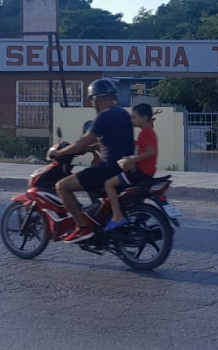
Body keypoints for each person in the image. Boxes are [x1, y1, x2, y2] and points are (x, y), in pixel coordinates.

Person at [47, 79, 133, 243]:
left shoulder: (104, 116)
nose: (93, 104)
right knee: (88, 177)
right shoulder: (123, 114)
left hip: (108, 169)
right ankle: (97, 218)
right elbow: (112, 141)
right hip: (123, 169)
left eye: (93, 100)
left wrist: (60, 153)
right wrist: (93, 148)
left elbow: (82, 142)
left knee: (62, 186)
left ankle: (82, 227)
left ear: (97, 99)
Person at [103, 103, 159, 231]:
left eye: (134, 117)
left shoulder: (144, 134)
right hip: (148, 172)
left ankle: (117, 216)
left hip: (140, 173)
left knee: (109, 184)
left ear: (144, 118)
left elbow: (150, 152)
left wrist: (132, 159)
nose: (131, 120)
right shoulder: (151, 132)